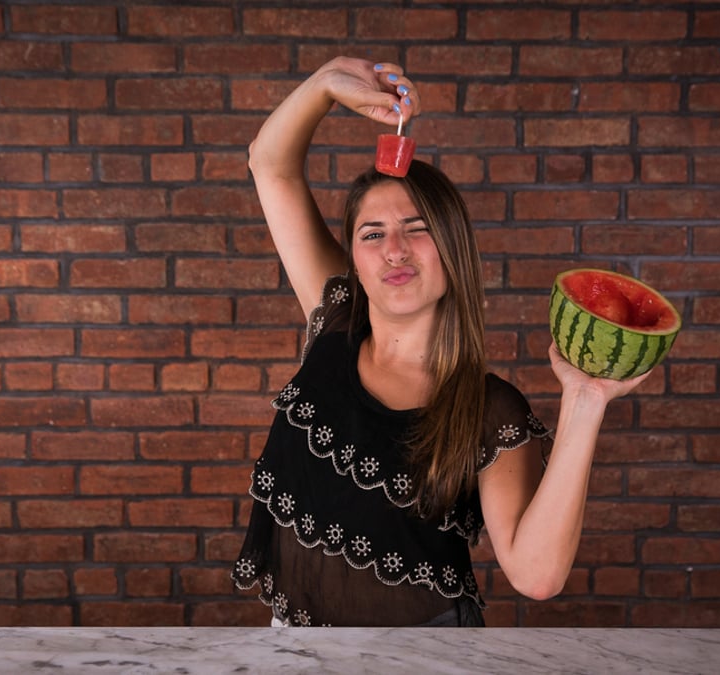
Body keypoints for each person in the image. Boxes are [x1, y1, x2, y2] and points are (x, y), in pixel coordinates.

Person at [231, 56, 651, 627]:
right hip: (292, 651)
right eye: (372, 233)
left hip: (427, 657)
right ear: (353, 258)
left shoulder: (488, 408)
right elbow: (269, 163)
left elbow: (537, 575)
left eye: (418, 229)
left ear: (452, 248)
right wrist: (328, 82)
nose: (394, 250)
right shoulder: (332, 320)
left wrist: (586, 402)